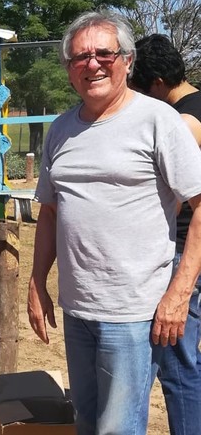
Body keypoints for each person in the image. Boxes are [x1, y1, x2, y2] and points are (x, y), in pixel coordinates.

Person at [26, 10, 201, 435]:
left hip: (135, 312)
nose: (92, 64)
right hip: (78, 306)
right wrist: (36, 282)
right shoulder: (60, 130)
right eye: (80, 57)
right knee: (87, 422)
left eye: (104, 53)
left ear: (127, 60)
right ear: (69, 69)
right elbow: (50, 210)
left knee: (117, 428)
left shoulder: (159, 121)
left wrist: (179, 292)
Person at [130, 34, 201, 435]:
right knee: (188, 359)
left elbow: (170, 194)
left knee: (176, 364)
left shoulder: (184, 122)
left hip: (183, 251)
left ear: (157, 82)